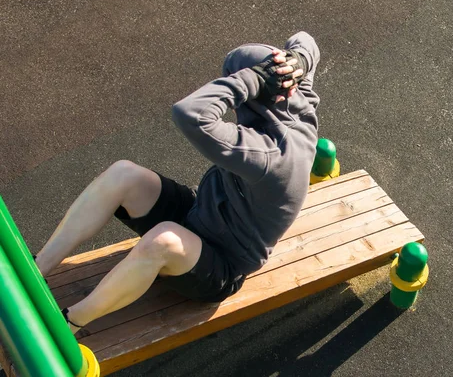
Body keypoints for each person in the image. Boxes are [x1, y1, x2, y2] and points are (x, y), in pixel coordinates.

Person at [34, 32, 321, 333]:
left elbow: (191, 114)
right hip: (199, 211)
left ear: (259, 93)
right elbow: (305, 39)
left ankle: (68, 323)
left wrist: (251, 79)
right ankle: (38, 268)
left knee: (163, 239)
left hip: (222, 265)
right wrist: (298, 60)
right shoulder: (298, 99)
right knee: (123, 173)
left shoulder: (271, 156)